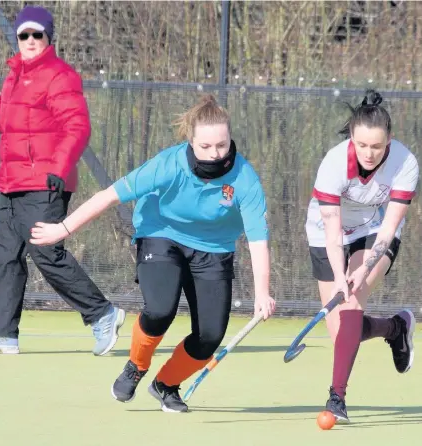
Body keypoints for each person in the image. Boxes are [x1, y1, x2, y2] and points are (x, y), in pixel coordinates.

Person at [30, 94, 276, 412]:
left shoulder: (245, 178)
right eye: (206, 146)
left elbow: (258, 238)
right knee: (160, 309)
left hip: (214, 249)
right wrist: (62, 229)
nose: (215, 154)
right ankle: (136, 366)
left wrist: (263, 292)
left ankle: (166, 385)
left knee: (211, 335)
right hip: (162, 234)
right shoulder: (168, 164)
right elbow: (109, 196)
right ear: (191, 140)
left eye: (222, 145)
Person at [0, 5, 125, 356]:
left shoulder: (60, 75)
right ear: (17, 38)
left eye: (37, 34)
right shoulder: (14, 76)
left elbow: (77, 127)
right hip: (12, 182)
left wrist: (58, 169)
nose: (30, 40)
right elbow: (3, 121)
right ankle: (1, 333)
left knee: (46, 253)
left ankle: (103, 313)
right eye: (24, 34)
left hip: (45, 181)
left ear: (48, 38)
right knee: (5, 255)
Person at [305, 89, 419, 423]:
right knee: (342, 332)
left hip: (374, 231)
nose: (369, 153)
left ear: (390, 140)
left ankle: (336, 399)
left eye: (377, 146)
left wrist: (363, 268)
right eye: (362, 145)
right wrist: (341, 276)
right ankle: (395, 328)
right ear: (352, 138)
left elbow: (388, 231)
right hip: (328, 234)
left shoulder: (404, 162)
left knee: (351, 304)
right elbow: (331, 231)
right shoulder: (333, 164)